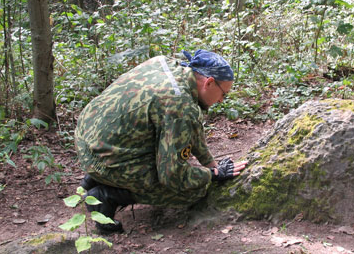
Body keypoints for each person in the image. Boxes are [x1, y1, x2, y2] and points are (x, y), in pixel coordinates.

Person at [74, 49, 247, 234]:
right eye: (223, 94)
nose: (221, 100)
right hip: (103, 158)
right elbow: (172, 176)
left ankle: (94, 178)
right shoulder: (179, 104)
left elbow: (192, 124)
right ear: (209, 82)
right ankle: (107, 195)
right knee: (194, 190)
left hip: (87, 138)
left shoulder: (166, 64)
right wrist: (212, 175)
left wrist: (212, 164)